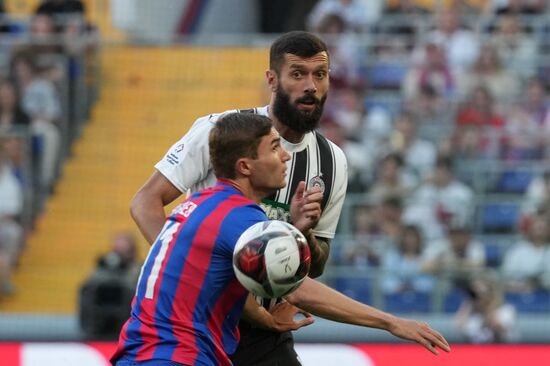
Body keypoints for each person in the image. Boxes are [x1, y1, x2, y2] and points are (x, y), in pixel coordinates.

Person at [112, 113, 450, 365]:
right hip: (175, 357)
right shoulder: (240, 218)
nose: (286, 155)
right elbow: (299, 288)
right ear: (245, 166)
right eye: (274, 148)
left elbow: (213, 285)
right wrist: (391, 322)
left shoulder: (199, 205)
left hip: (142, 353)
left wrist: (265, 319)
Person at [130, 31, 349, 365]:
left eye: (319, 75)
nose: (311, 86)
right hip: (201, 318)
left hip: (265, 328)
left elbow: (313, 269)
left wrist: (303, 232)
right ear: (272, 80)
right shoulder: (221, 130)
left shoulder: (332, 161)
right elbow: (145, 202)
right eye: (298, 74)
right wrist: (188, 272)